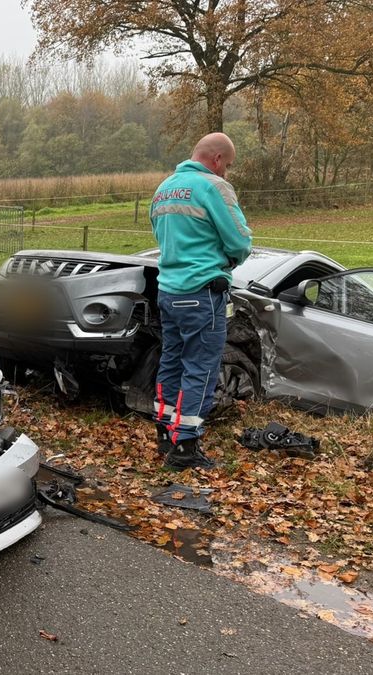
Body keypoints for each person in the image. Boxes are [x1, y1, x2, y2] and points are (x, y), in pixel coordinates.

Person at [150, 132, 253, 469]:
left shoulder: (165, 188)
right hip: (201, 293)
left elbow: (160, 235)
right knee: (201, 368)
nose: (227, 172)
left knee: (171, 361)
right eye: (228, 165)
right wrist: (230, 259)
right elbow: (239, 241)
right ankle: (186, 447)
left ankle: (165, 433)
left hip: (168, 291)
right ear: (217, 159)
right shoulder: (214, 187)